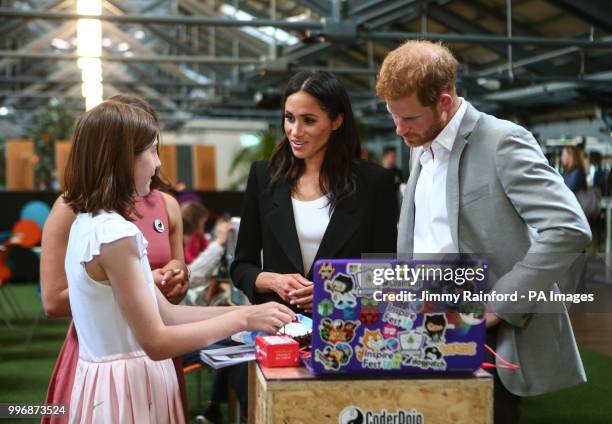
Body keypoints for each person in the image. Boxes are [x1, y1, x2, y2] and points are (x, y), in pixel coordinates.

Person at [376, 40, 591, 424]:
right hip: (426, 326)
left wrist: (499, 305)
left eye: (408, 118)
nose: (399, 128)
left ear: (443, 102)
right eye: (394, 116)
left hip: (487, 335)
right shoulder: (420, 142)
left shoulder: (503, 141)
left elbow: (569, 228)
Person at [51, 99, 295, 423]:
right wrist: (244, 320)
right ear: (123, 160)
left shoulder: (92, 222)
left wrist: (247, 311)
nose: (157, 163)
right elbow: (156, 340)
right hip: (127, 388)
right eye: (151, 151)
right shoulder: (114, 234)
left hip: (119, 381)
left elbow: (167, 312)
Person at [41, 94, 191, 423]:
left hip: (159, 344)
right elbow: (52, 300)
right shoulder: (73, 208)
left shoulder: (166, 205)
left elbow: (178, 273)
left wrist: (175, 279)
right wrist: (136, 286)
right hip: (103, 349)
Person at [231, 70, 398, 315]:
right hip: (280, 330)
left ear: (337, 121)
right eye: (289, 118)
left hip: (347, 330)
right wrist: (274, 281)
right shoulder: (263, 176)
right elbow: (242, 266)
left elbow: (385, 272)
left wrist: (332, 290)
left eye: (308, 120)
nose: (295, 131)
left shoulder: (374, 183)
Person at [180, 201, 232, 305]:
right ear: (197, 222)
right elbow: (191, 275)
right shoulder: (190, 240)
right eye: (203, 223)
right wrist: (218, 243)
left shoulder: (198, 238)